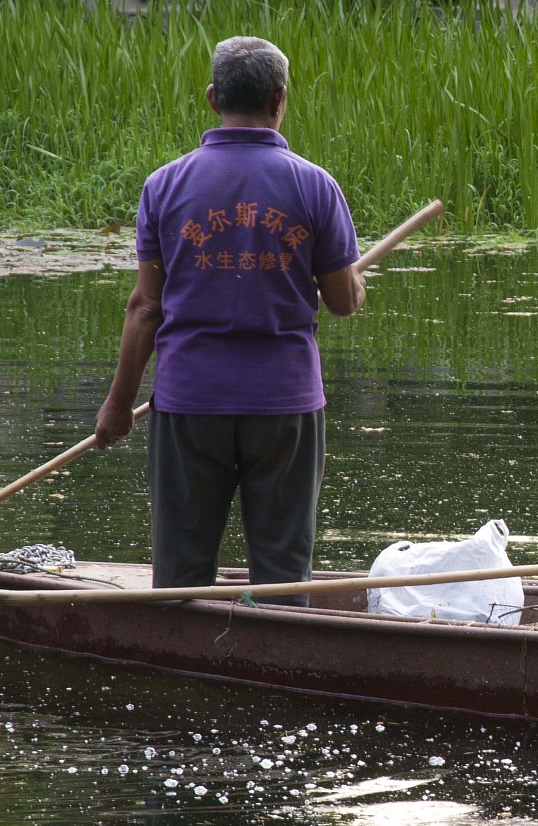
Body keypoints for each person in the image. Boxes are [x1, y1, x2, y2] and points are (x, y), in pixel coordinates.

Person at [94, 36, 365, 594]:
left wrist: (118, 405)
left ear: (214, 98)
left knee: (180, 578)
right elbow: (341, 302)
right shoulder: (315, 186)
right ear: (280, 99)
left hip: (190, 404)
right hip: (284, 408)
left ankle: (183, 666)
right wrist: (355, 284)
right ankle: (276, 664)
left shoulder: (164, 186)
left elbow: (145, 308)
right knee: (284, 580)